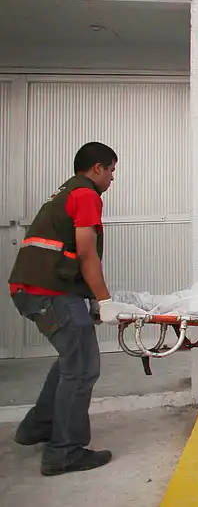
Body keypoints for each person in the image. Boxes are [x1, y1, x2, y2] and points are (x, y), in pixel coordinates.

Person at [8, 142, 134, 476]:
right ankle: (64, 453)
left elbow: (67, 255)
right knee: (82, 367)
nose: (112, 178)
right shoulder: (86, 194)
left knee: (71, 358)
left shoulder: (66, 192)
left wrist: (89, 298)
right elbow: (86, 254)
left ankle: (38, 426)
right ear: (97, 168)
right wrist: (105, 302)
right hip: (48, 292)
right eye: (112, 170)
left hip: (36, 288)